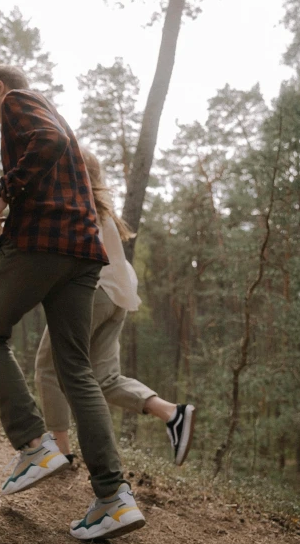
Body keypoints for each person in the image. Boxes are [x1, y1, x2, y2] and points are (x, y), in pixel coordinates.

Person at [0, 65, 145, 541]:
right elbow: (53, 144)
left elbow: (43, 140)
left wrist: (3, 192)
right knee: (77, 370)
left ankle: (34, 445)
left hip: (41, 242)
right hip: (84, 253)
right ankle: (113, 497)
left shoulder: (19, 101)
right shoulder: (54, 114)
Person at [35, 148, 196, 467]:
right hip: (117, 296)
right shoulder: (100, 209)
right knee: (104, 377)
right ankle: (172, 413)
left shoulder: (76, 205)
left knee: (48, 365)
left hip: (93, 293)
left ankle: (60, 449)